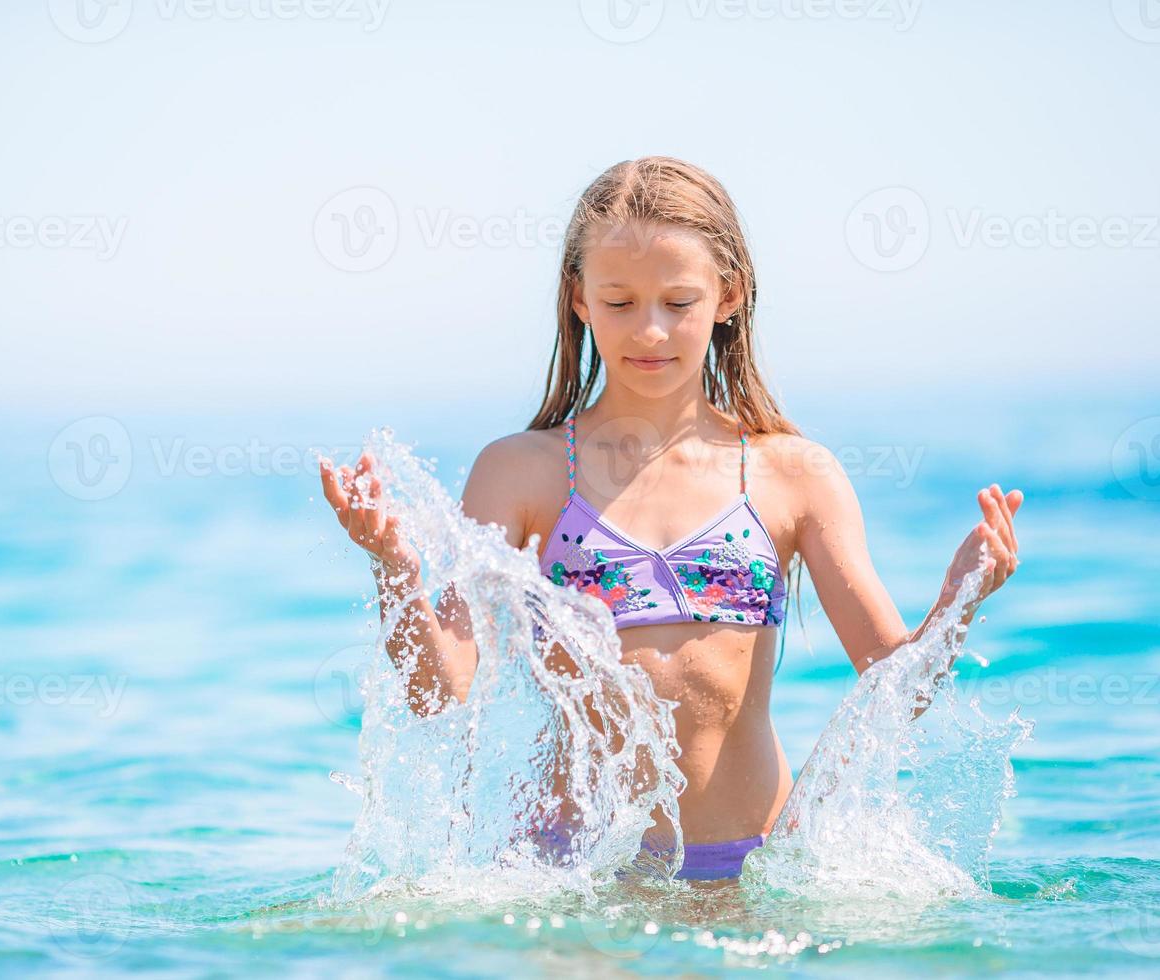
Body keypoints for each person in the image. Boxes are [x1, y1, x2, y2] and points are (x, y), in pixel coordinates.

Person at [318, 155, 1022, 883]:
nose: (649, 330)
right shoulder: (521, 471)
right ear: (579, 300)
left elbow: (893, 689)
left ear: (728, 296)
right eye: (619, 302)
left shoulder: (792, 474)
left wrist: (957, 605)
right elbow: (440, 692)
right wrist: (394, 568)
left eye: (677, 302)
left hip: (749, 872)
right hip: (575, 871)